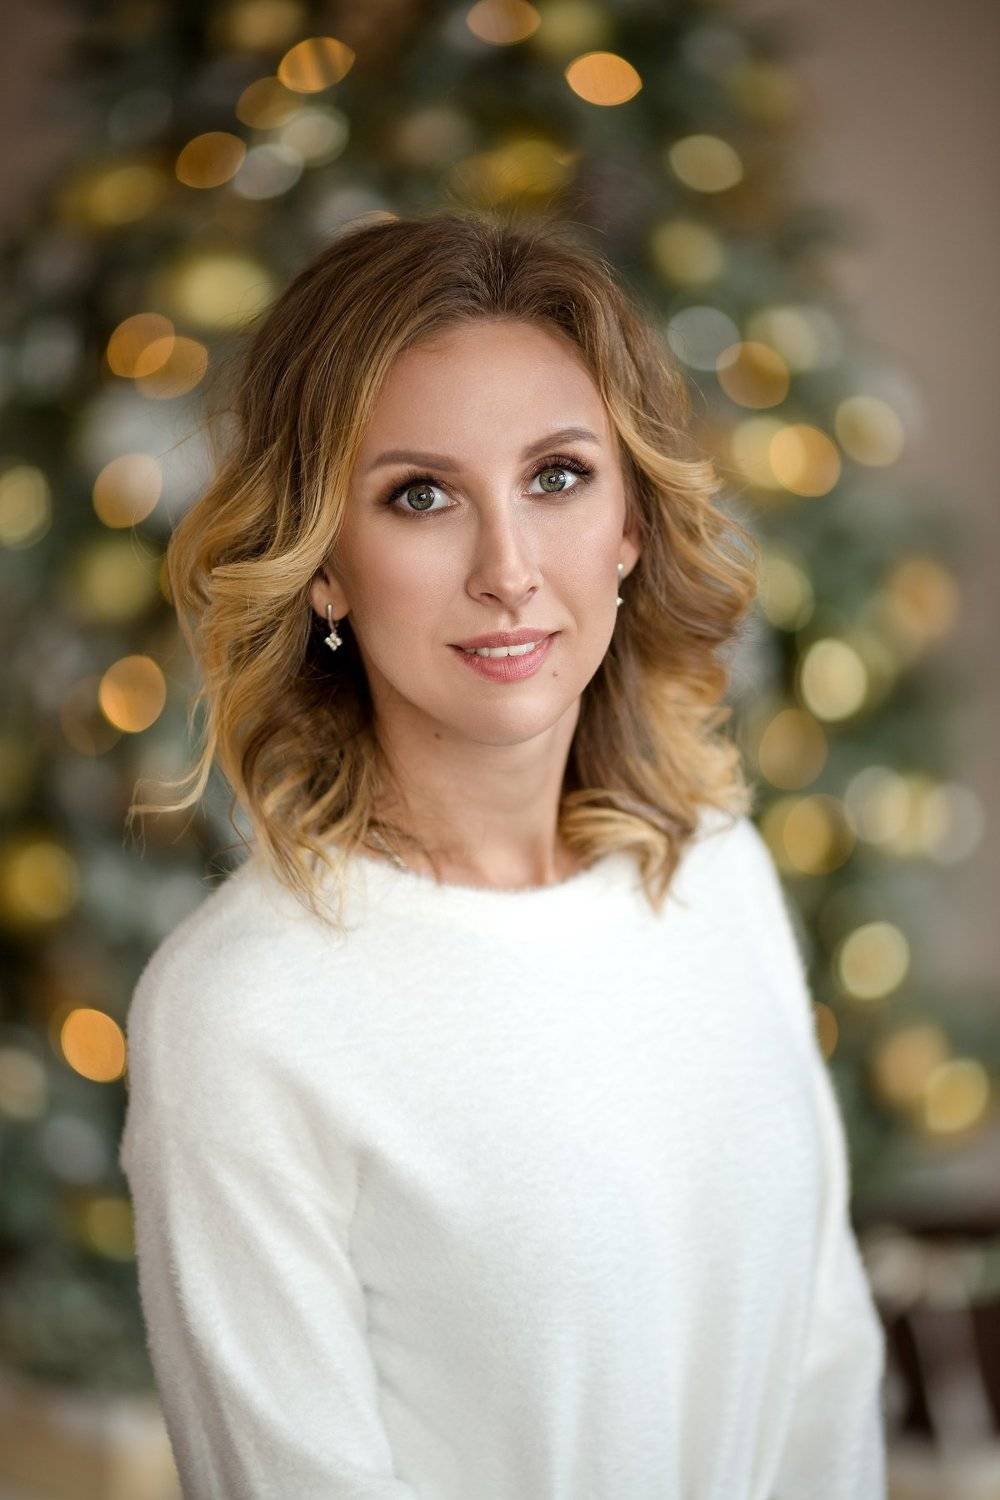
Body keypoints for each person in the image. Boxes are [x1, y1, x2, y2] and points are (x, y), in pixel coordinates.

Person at [119, 208, 888, 1498]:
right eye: (421, 496)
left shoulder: (716, 872)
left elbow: (826, 1379)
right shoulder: (243, 1013)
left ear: (630, 521)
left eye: (557, 477)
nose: (509, 569)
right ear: (325, 565)